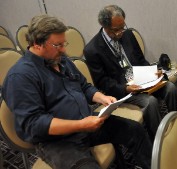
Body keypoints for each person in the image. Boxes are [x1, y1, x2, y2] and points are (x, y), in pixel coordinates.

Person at [2, 14, 152, 169]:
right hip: (57, 141)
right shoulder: (20, 76)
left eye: (63, 43)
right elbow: (34, 124)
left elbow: (84, 86)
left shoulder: (60, 59)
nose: (64, 49)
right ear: (37, 44)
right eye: (57, 45)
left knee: (135, 130)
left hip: (84, 121)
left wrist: (102, 98)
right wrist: (80, 125)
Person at [84, 5, 177, 140]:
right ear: (105, 26)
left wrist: (153, 72)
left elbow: (141, 60)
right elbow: (103, 82)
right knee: (151, 102)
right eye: (116, 30)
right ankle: (161, 141)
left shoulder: (128, 35)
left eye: (122, 27)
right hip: (122, 89)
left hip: (142, 79)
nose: (120, 32)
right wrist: (125, 88)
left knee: (171, 88)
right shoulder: (92, 50)